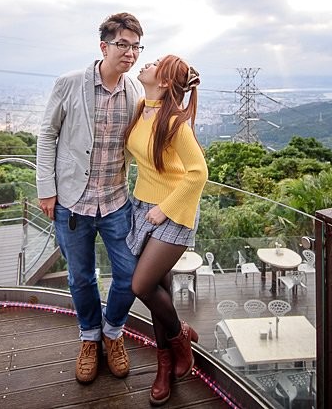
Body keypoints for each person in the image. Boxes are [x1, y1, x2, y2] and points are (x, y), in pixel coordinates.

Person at [36, 12, 144, 385]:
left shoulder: (136, 93)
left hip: (116, 200)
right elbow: (47, 135)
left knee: (129, 276)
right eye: (123, 45)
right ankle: (89, 338)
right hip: (72, 202)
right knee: (80, 279)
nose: (130, 54)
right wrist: (46, 189)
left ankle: (113, 333)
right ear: (104, 46)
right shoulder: (69, 84)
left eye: (136, 47)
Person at [124, 55, 208, 406]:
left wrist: (164, 209)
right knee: (159, 290)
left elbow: (197, 172)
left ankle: (179, 337)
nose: (147, 63)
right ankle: (165, 364)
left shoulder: (174, 121)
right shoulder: (144, 105)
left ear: (163, 82)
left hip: (172, 212)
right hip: (142, 207)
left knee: (140, 285)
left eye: (155, 63)